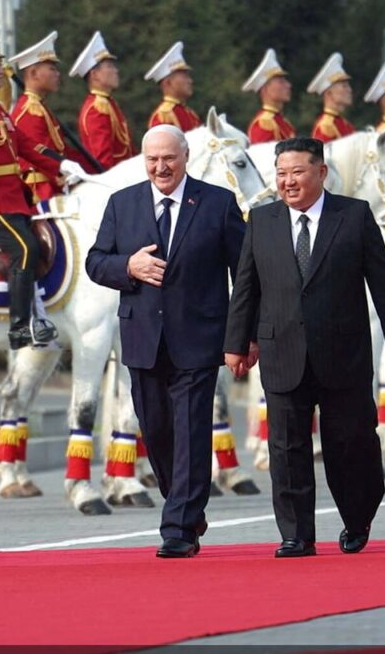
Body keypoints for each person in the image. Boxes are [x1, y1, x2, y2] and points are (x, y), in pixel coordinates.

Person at [224, 137, 385, 558]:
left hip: (343, 352)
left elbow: (381, 280)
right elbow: (246, 289)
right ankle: (296, 534)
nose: (288, 182)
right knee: (287, 448)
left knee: (351, 443)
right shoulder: (261, 220)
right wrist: (237, 343)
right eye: (281, 174)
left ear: (321, 172)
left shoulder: (354, 215)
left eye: (297, 172)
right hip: (282, 350)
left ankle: (358, 515)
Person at [85, 125, 246, 558]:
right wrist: (128, 266)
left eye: (169, 159)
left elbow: (244, 273)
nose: (161, 167)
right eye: (153, 159)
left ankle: (177, 528)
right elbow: (95, 262)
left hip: (198, 337)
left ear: (185, 156)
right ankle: (188, 507)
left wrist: (242, 334)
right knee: (156, 430)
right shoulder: (123, 203)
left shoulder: (218, 203)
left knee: (192, 430)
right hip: (142, 339)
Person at [0, 26, 85, 349]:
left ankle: (41, 316)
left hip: (12, 199)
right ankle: (19, 326)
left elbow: (26, 146)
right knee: (25, 249)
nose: (1, 68)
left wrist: (60, 164)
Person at [10, 31, 76, 203]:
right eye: (52, 69)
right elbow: (38, 153)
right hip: (40, 191)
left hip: (52, 185)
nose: (57, 74)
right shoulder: (29, 111)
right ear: (33, 73)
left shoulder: (39, 106)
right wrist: (62, 174)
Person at [71, 31, 133, 171]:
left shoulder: (108, 103)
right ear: (94, 75)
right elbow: (102, 159)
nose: (116, 71)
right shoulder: (96, 109)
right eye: (109, 66)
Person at [243, 49, 297, 144]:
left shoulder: (284, 122)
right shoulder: (263, 124)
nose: (288, 85)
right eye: (281, 81)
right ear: (265, 89)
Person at [146, 41, 202, 131]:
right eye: (184, 77)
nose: (190, 81)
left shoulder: (190, 114)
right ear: (167, 83)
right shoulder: (164, 116)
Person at [307, 53, 356, 143]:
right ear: (329, 93)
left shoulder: (346, 125)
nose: (350, 90)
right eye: (344, 86)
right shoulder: (326, 126)